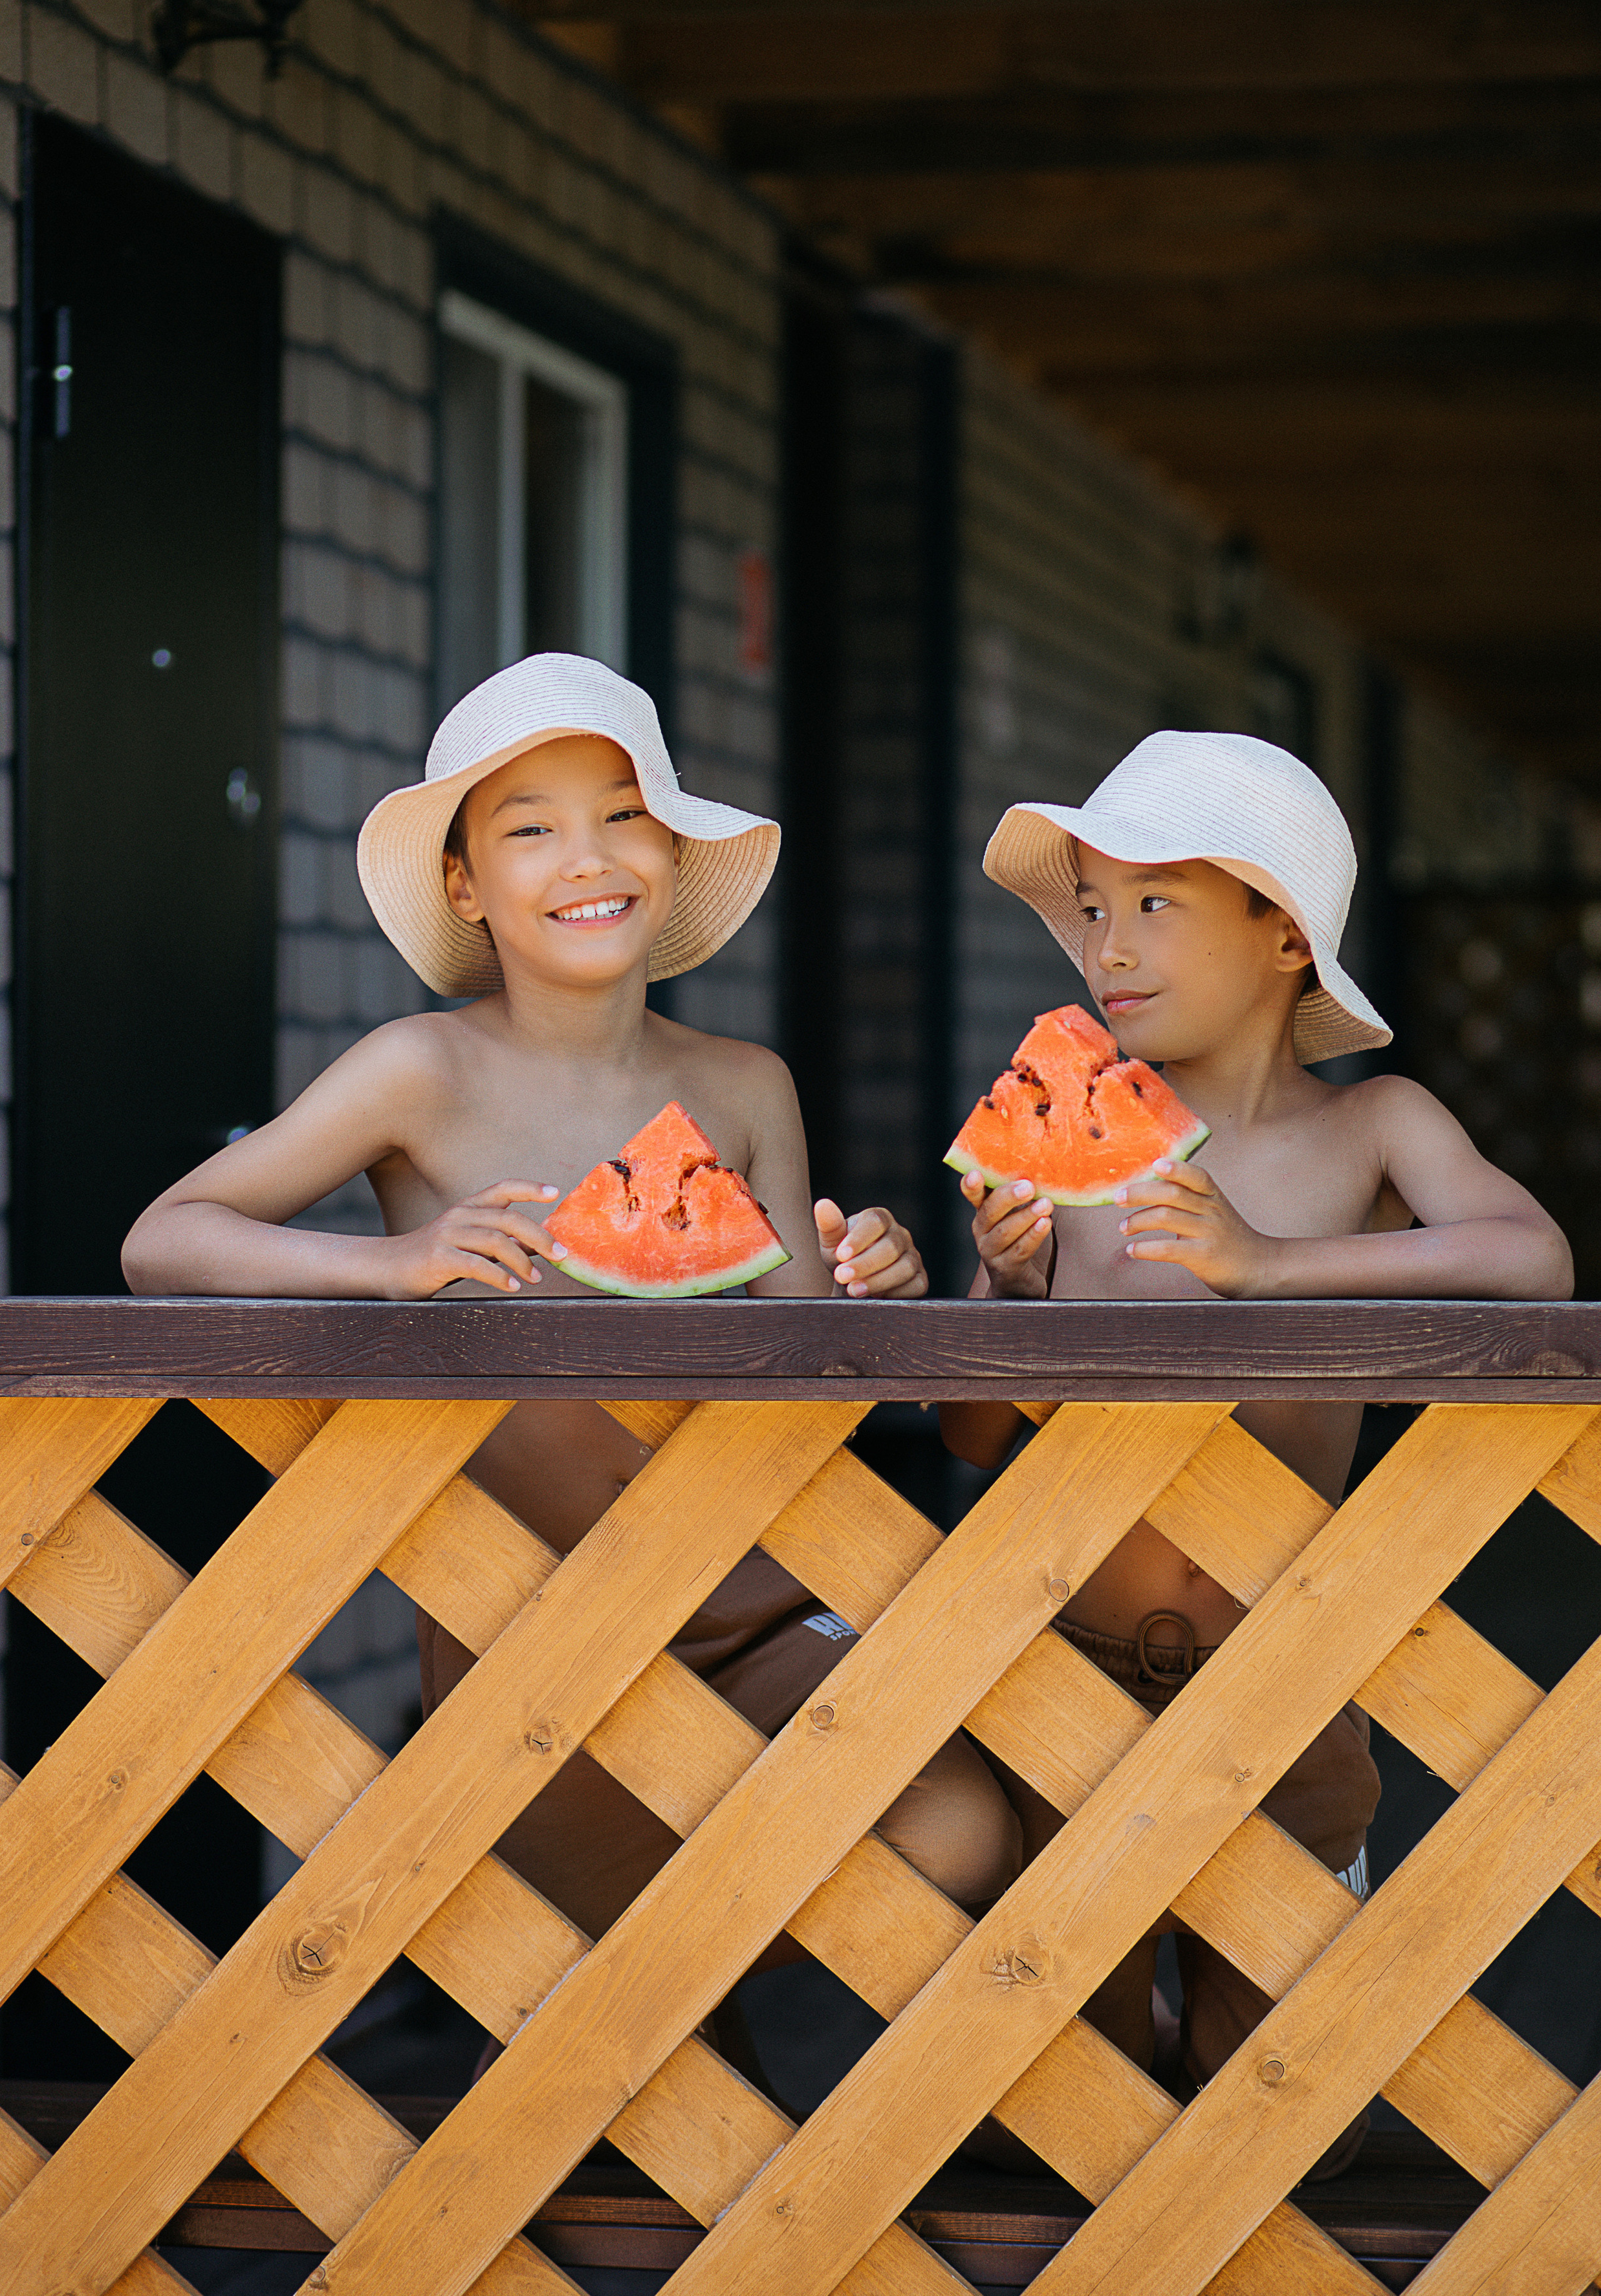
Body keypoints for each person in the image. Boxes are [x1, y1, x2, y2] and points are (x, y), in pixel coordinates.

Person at [125, 651, 1022, 1970]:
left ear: (664, 852)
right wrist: (394, 1263)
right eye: (530, 829)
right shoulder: (415, 1074)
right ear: (463, 886)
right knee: (617, 2017)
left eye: (620, 816)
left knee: (955, 1832)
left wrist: (864, 1282)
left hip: (762, 1616)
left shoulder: (744, 1085)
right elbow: (164, 1240)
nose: (585, 857)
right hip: (528, 1653)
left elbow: (809, 1365)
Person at [941, 728, 1571, 2172]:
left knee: (1275, 2108)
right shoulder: (1054, 1136)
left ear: (1279, 934)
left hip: (1280, 1688)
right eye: (1091, 907)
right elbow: (973, 1439)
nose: (1107, 943)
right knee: (1072, 2111)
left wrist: (1272, 1264)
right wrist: (1006, 1296)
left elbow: (1530, 1254)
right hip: (1063, 1688)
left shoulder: (1372, 1129)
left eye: (1153, 903)